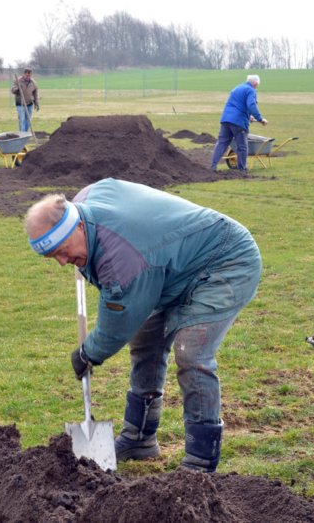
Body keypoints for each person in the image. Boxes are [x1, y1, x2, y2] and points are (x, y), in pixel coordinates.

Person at [24, 178, 262, 473]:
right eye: (53, 257)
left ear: (79, 226)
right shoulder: (85, 201)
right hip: (169, 265)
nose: (62, 262)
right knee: (145, 338)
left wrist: (88, 353)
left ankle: (201, 462)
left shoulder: (122, 260)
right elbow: (108, 185)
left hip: (225, 260)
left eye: (63, 250)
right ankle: (139, 438)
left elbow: (116, 324)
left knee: (192, 354)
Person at [209, 74, 268, 174]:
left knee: (221, 143)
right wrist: (260, 118)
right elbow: (251, 105)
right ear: (256, 84)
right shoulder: (251, 90)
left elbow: (236, 106)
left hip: (226, 119)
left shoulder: (237, 88)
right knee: (242, 146)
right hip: (238, 122)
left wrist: (249, 117)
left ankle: (212, 167)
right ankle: (242, 170)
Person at [11, 68, 39, 132]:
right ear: (24, 74)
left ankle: (25, 133)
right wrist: (17, 90)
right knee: (21, 120)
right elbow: (12, 90)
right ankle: (22, 135)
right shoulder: (18, 81)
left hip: (29, 104)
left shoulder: (33, 83)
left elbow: (35, 93)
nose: (28, 77)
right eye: (27, 75)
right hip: (20, 104)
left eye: (29, 75)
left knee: (28, 121)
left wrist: (36, 102)